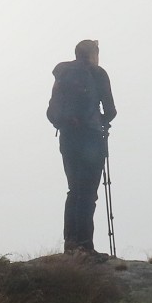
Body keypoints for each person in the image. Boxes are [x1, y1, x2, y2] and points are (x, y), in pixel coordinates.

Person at [47, 39, 117, 257]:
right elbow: (111, 110)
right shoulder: (98, 73)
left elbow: (51, 113)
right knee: (88, 193)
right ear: (92, 54)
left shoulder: (63, 74)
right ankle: (85, 246)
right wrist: (100, 121)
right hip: (91, 140)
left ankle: (71, 244)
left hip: (68, 138)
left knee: (74, 190)